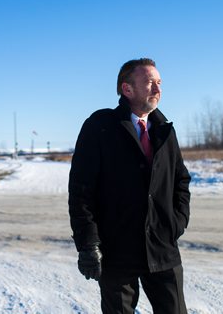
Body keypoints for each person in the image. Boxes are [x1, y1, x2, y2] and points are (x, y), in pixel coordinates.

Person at [68, 58, 191, 313]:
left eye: (159, 83)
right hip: (116, 251)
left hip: (162, 248)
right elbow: (81, 192)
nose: (158, 89)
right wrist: (88, 243)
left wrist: (176, 223)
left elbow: (181, 180)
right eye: (149, 83)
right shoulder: (100, 127)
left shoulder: (164, 130)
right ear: (127, 89)